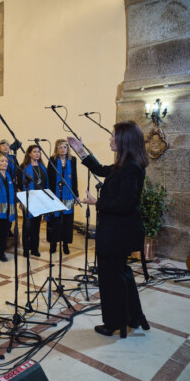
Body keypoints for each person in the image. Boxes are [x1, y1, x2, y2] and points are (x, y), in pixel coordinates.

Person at [67, 121, 150, 338]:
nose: (110, 139)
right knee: (120, 275)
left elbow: (125, 205)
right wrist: (81, 151)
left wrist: (97, 203)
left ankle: (113, 323)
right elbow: (101, 170)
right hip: (116, 233)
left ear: (124, 140)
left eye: (113, 136)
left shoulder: (131, 167)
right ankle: (132, 317)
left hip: (116, 235)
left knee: (110, 280)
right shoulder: (125, 164)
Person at [46, 139, 78, 255]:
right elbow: (49, 178)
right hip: (55, 194)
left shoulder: (73, 160)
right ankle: (53, 244)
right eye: (60, 147)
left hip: (68, 195)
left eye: (65, 147)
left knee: (67, 221)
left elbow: (74, 178)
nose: (63, 149)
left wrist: (76, 195)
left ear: (68, 148)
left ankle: (65, 245)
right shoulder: (52, 160)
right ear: (56, 149)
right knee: (54, 220)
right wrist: (48, 194)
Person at [19, 145, 48, 257]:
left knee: (36, 226)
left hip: (40, 200)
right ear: (29, 153)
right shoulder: (23, 167)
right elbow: (19, 185)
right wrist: (22, 201)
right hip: (28, 199)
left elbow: (45, 183)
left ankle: (35, 249)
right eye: (35, 152)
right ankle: (26, 249)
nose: (37, 154)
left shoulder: (42, 167)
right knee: (27, 226)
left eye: (38, 152)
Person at [0, 153, 16, 262]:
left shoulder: (8, 175)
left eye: (6, 161)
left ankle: (1, 253)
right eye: (2, 161)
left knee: (4, 233)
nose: (5, 163)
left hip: (7, 211)